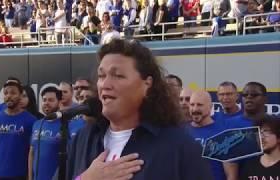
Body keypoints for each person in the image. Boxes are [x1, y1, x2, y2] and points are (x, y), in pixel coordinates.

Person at [64, 39, 213, 180]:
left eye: (118, 76)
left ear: (147, 84)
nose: (105, 84)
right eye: (101, 76)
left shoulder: (179, 146)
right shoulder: (83, 138)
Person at [0, 82, 37, 180]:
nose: (8, 96)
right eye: (6, 93)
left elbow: (33, 152)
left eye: (13, 93)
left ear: (20, 95)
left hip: (20, 175)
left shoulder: (31, 120)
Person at [28, 86, 85, 180]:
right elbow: (32, 152)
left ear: (59, 102)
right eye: (44, 100)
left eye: (50, 100)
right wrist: (30, 177)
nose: (46, 103)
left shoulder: (67, 124)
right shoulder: (37, 124)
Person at [186, 90, 238, 180]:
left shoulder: (223, 133)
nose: (194, 109)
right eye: (192, 104)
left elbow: (231, 174)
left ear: (210, 107)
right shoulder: (182, 131)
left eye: (199, 105)